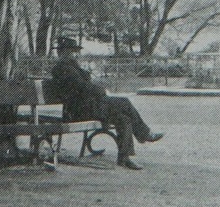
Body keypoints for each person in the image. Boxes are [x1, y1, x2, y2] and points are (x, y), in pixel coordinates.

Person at [49, 36, 162, 169]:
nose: (74, 54)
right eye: (70, 51)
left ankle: (124, 158)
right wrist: (102, 90)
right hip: (77, 111)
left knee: (123, 119)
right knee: (124, 102)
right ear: (61, 53)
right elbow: (82, 87)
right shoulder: (62, 69)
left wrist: (95, 88)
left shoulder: (72, 67)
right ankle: (144, 134)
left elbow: (85, 86)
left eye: (74, 51)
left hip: (88, 107)